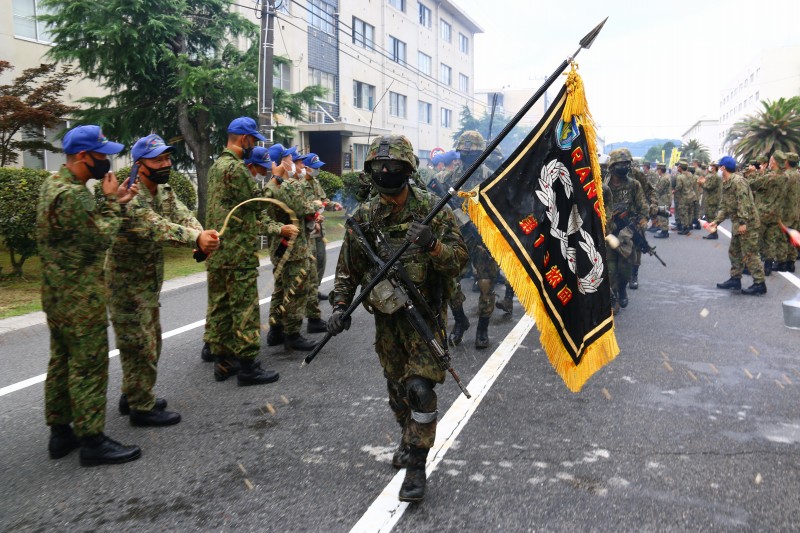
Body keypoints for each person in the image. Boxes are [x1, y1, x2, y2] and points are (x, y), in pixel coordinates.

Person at [327, 133, 468, 502]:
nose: (386, 171)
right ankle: (408, 437)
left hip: (424, 319)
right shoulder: (363, 218)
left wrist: (432, 245)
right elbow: (347, 270)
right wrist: (340, 307)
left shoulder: (433, 210)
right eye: (378, 166)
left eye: (393, 166)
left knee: (420, 390)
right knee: (398, 393)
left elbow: (459, 261)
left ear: (408, 170)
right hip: (388, 323)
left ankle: (417, 468)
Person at [37, 124, 141, 465]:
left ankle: (60, 433)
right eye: (101, 156)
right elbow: (99, 238)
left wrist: (114, 202)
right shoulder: (73, 195)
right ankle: (92, 440)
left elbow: (80, 229)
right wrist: (112, 201)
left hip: (57, 295)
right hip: (81, 296)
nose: (107, 162)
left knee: (61, 360)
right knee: (89, 365)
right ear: (82, 156)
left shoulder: (54, 184)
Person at [107, 134, 219, 426]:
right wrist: (196, 238)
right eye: (158, 159)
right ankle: (141, 409)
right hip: (126, 285)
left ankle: (132, 393)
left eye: (167, 158)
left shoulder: (163, 189)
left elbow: (182, 215)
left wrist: (200, 236)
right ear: (140, 164)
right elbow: (156, 226)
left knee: (150, 342)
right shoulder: (129, 194)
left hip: (147, 283)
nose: (166, 164)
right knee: (140, 345)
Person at [204, 117, 283, 384]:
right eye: (253, 140)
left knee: (221, 307)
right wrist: (277, 181)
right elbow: (257, 203)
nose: (254, 145)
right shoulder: (236, 169)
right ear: (243, 139)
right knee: (245, 308)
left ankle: (223, 362)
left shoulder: (217, 165)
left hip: (218, 250)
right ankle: (248, 366)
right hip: (237, 251)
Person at [441, 131, 498, 348]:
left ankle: (482, 328)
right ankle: (460, 321)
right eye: (464, 153)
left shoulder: (490, 177)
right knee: (451, 283)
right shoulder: (448, 178)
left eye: (471, 153)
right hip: (456, 238)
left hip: (482, 238)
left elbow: (497, 209)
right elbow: (439, 204)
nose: (467, 157)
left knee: (485, 283)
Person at [263, 143, 322, 350]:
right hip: (293, 247)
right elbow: (301, 207)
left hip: (279, 246)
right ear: (281, 162)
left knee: (280, 288)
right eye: (290, 159)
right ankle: (293, 333)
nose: (295, 163)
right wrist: (317, 205)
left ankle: (276, 330)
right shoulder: (286, 185)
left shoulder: (273, 184)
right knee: (296, 288)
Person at [706, 156, 766, 295]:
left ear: (723, 168)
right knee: (734, 252)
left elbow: (743, 202)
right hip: (737, 223)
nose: (717, 169)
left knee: (750, 253)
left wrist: (743, 222)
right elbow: (725, 206)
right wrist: (716, 221)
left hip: (746, 224)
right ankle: (735, 279)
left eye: (719, 167)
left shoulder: (738, 181)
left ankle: (759, 283)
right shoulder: (726, 182)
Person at [605, 148, 647, 310]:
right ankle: (613, 299)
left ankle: (622, 289)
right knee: (610, 270)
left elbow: (643, 208)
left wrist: (639, 223)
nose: (623, 166)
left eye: (626, 164)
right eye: (620, 163)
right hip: (608, 234)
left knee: (624, 270)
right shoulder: (603, 185)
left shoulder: (634, 185)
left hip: (626, 236)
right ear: (612, 166)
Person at [750, 151, 786, 276]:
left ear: (774, 161)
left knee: (756, 239)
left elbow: (752, 185)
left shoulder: (770, 177)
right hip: (775, 213)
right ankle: (768, 266)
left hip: (763, 212)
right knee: (770, 240)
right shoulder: (784, 176)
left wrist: (753, 173)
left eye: (771, 160)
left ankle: (753, 267)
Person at [777, 152, 799, 272]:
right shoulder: (798, 174)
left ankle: (781, 263)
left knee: (782, 238)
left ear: (787, 162)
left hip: (785, 212)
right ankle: (791, 262)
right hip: (796, 211)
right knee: (792, 238)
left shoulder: (786, 175)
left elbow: (781, 194)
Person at [700, 162, 722, 240]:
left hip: (712, 199)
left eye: (711, 166)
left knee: (711, 216)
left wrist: (702, 183)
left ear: (714, 168)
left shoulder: (714, 177)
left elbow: (709, 187)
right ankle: (713, 232)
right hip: (712, 199)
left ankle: (714, 233)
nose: (709, 167)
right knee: (709, 215)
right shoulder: (715, 176)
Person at [653, 163, 671, 239]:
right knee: (664, 214)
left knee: (663, 215)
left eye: (658, 170)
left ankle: (664, 231)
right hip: (666, 198)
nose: (657, 171)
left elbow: (658, 190)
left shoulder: (664, 178)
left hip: (663, 199)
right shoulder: (667, 176)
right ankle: (664, 230)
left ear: (660, 170)